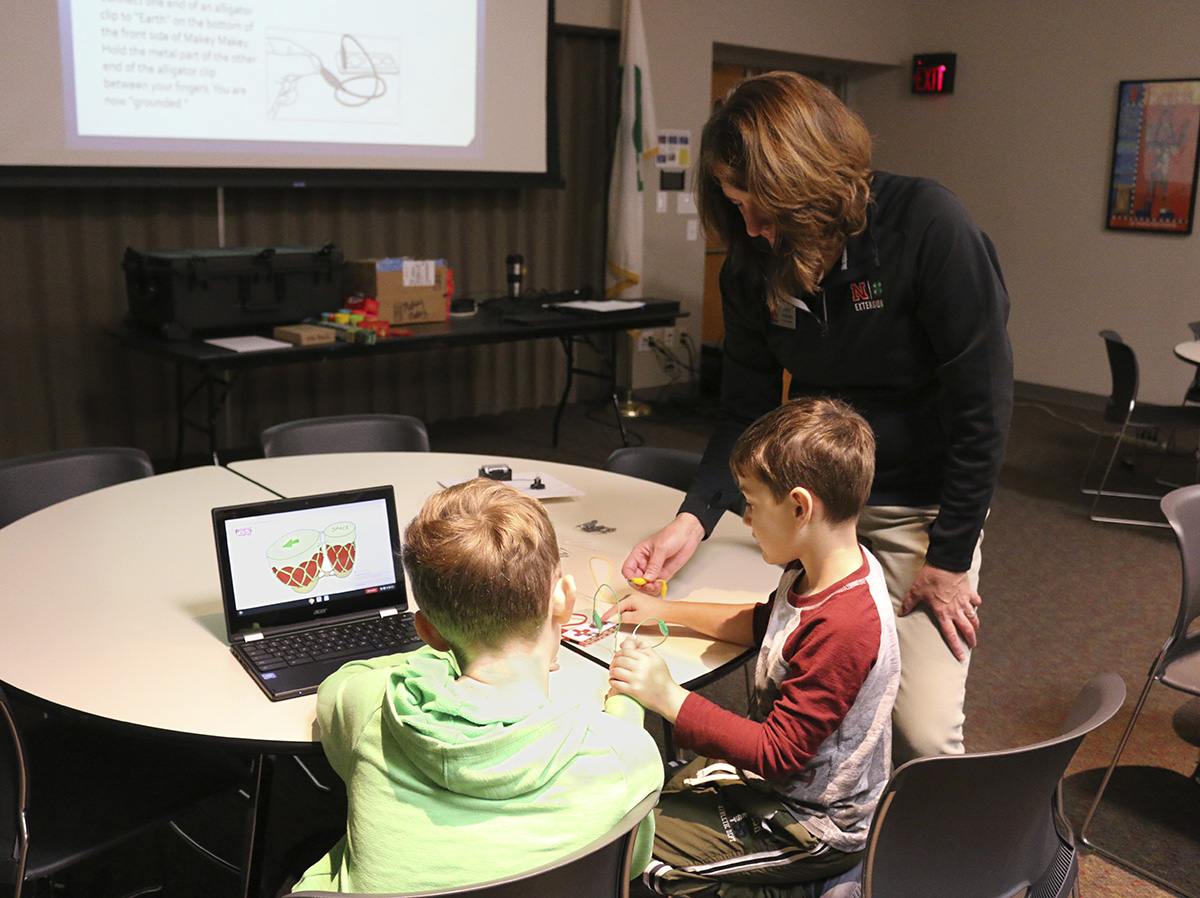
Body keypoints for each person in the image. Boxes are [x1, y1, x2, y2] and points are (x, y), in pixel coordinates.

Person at [621, 71, 1013, 763]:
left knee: (920, 733)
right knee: (786, 703)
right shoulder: (751, 262)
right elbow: (742, 410)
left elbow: (983, 406)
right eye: (737, 205)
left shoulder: (926, 226)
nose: (751, 227)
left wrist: (950, 560)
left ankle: (934, 859)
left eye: (762, 206)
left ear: (811, 180)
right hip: (808, 509)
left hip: (914, 510)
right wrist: (694, 515)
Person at [292, 478, 664, 894]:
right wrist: (627, 705)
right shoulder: (625, 755)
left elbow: (340, 683)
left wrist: (439, 656)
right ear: (563, 598)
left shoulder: (373, 707)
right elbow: (629, 864)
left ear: (427, 630)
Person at [606, 397, 900, 896]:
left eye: (751, 501)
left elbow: (779, 754)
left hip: (813, 824)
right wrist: (666, 613)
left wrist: (667, 698)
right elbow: (766, 624)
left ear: (800, 507)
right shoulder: (815, 567)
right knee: (640, 793)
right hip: (778, 787)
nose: (745, 517)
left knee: (628, 854)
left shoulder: (847, 624)